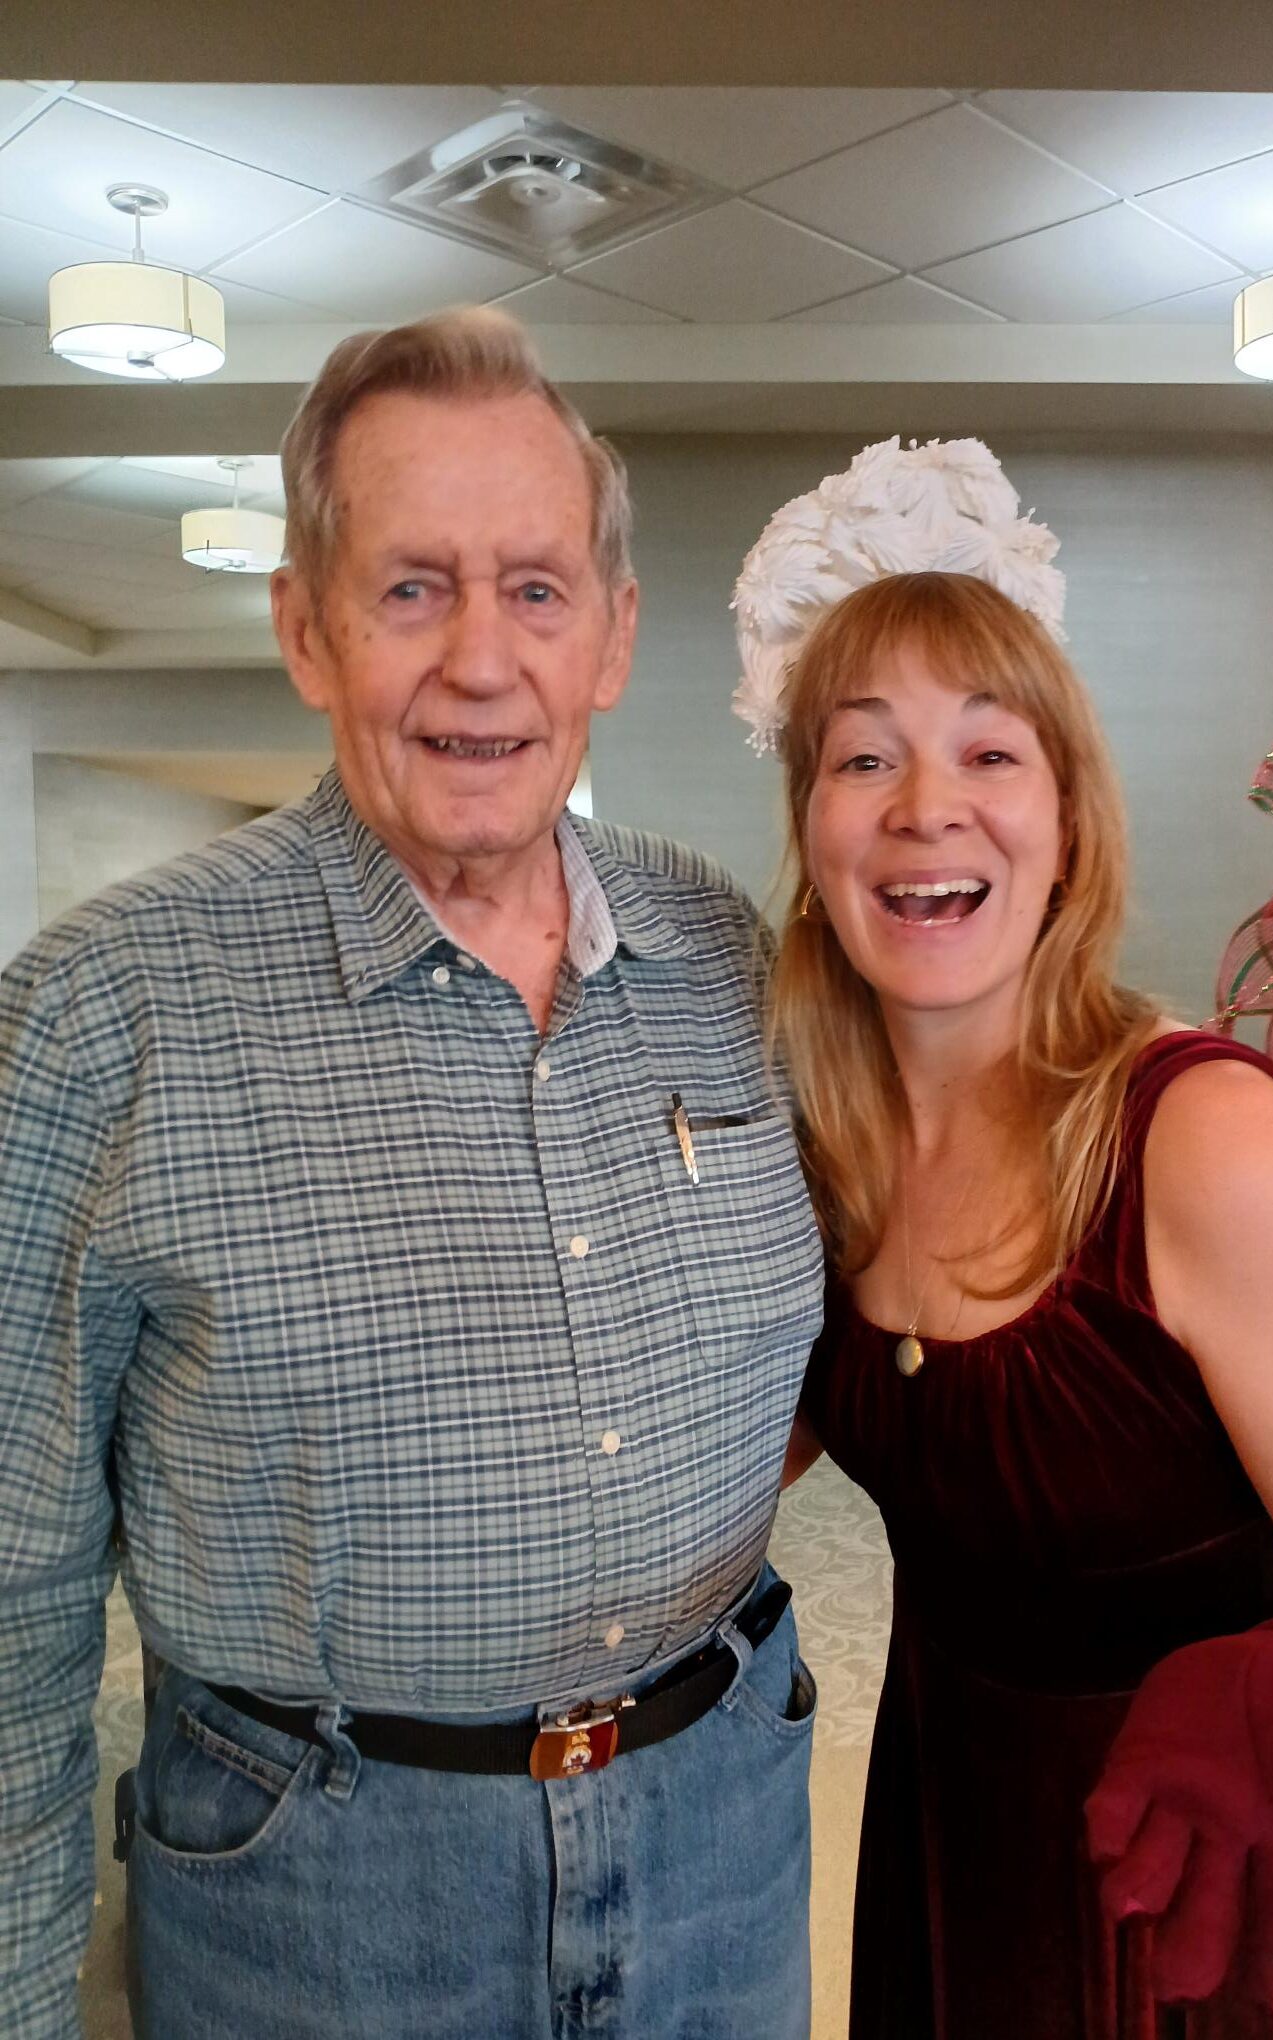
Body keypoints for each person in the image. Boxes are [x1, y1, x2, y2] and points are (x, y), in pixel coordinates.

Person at [0, 307, 823, 2040]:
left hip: (722, 1836)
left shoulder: (724, 952)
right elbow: (13, 1594)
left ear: (612, 636)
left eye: (535, 590)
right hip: (320, 1893)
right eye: (410, 589)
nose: (479, 660)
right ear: (306, 629)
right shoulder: (98, 1016)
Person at [734, 437, 1273, 2037]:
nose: (926, 807)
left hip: (1229, 1897)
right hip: (959, 1860)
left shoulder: (1199, 1141)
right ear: (809, 832)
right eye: (862, 759)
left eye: (987, 752)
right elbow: (705, 1475)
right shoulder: (822, 1164)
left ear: (1066, 822)